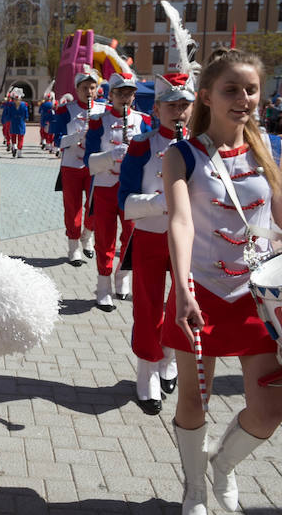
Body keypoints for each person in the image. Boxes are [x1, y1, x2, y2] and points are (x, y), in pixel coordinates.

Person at [162, 48, 282, 515]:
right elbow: (181, 223)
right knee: (193, 400)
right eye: (231, 89)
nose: (244, 98)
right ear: (206, 96)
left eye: (251, 89)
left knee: (270, 409)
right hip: (202, 293)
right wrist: (184, 290)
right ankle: (193, 488)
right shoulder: (181, 153)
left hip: (261, 300)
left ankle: (223, 464)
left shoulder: (273, 148)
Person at [119, 72, 194, 414]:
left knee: (182, 303)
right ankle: (147, 371)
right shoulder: (141, 145)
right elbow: (125, 201)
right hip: (150, 235)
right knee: (147, 306)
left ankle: (170, 360)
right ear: (158, 108)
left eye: (185, 105)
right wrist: (162, 203)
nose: (179, 112)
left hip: (190, 241)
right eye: (172, 105)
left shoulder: (202, 146)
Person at [84, 72, 147, 310]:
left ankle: (123, 277)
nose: (125, 98)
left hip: (131, 189)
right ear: (110, 95)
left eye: (129, 93)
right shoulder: (98, 121)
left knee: (130, 237)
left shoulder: (143, 121)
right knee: (104, 238)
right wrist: (110, 156)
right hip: (104, 188)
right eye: (120, 93)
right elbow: (89, 160)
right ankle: (103, 287)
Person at [51, 67, 102, 265]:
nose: (88, 92)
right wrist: (77, 137)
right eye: (84, 88)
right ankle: (73, 247)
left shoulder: (103, 110)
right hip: (71, 166)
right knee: (72, 208)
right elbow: (57, 140)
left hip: (95, 165)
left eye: (92, 87)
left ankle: (87, 236)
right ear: (77, 89)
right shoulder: (65, 110)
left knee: (94, 206)